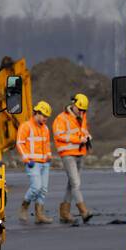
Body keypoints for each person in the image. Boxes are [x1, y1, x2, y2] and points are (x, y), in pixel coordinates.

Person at [53, 93, 94, 224]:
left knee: (71, 184)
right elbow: (59, 136)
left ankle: (64, 213)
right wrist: (78, 139)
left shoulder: (82, 116)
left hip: (80, 153)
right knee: (76, 183)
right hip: (67, 154)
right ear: (73, 104)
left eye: (84, 110)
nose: (81, 112)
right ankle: (84, 212)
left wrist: (87, 136)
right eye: (80, 109)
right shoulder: (61, 118)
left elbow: (84, 130)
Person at [16, 101, 53, 224]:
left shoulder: (46, 128)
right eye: (44, 116)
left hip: (44, 163)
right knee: (36, 187)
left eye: (47, 117)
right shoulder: (26, 126)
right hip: (33, 163)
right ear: (37, 113)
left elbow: (47, 144)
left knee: (43, 190)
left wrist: (49, 155)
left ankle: (39, 215)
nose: (45, 119)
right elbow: (20, 143)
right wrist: (26, 159)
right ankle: (24, 206)